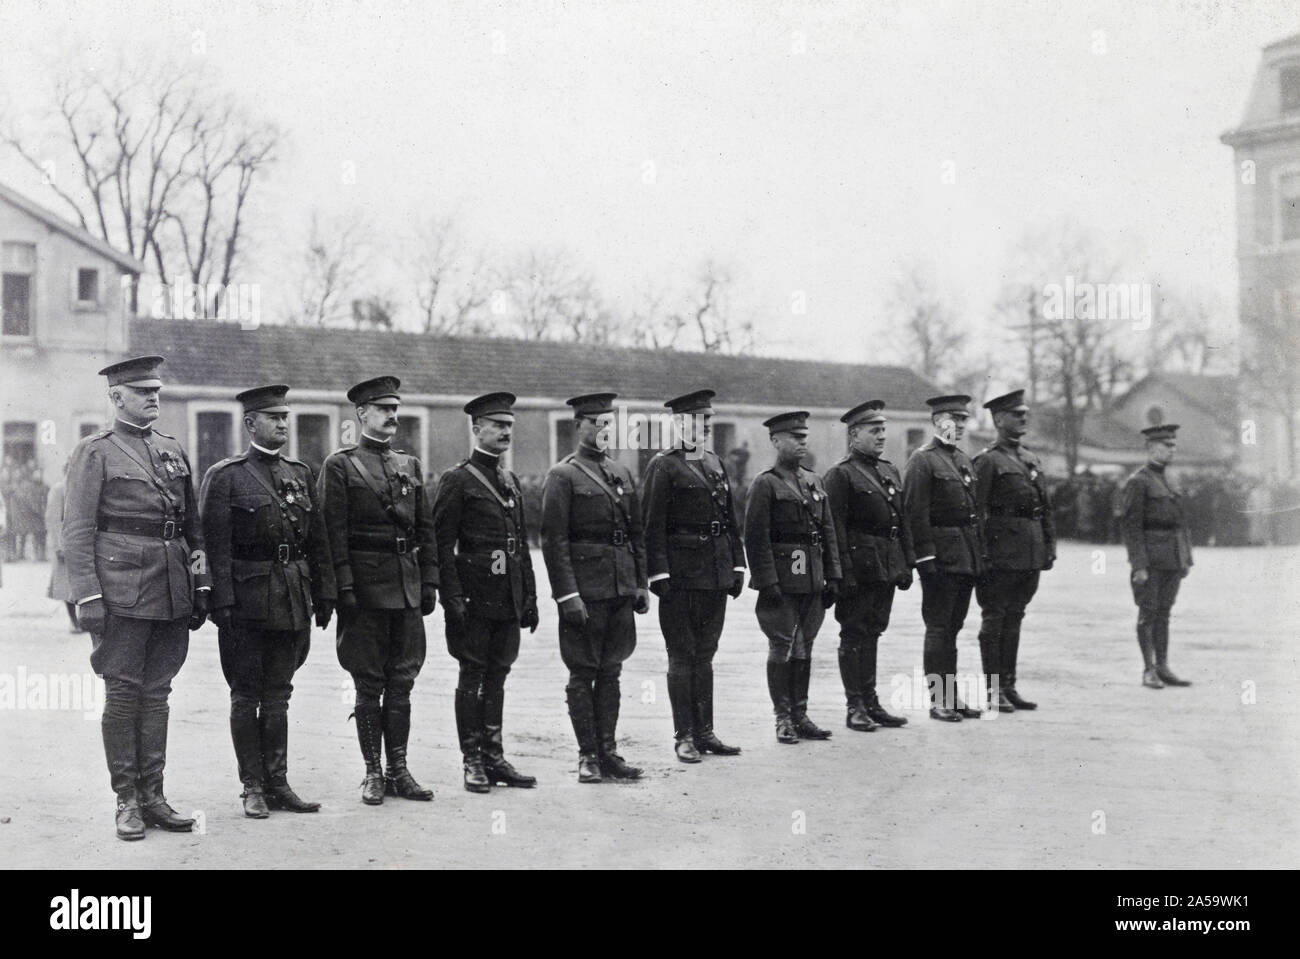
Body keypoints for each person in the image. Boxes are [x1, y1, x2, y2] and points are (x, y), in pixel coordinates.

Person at [62, 355, 209, 840]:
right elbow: (78, 530)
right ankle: (126, 799)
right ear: (116, 396)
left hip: (170, 588)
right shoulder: (95, 451)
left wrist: (200, 580)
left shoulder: (171, 448)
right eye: (143, 391)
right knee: (123, 694)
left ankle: (155, 796)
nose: (153, 398)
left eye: (157, 391)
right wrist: (86, 595)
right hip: (121, 589)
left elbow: (193, 525)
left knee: (159, 694)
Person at [200, 385, 336, 818]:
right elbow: (212, 544)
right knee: (245, 695)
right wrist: (219, 600)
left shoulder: (300, 473)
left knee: (279, 694)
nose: (283, 423)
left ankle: (278, 781)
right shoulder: (225, 476)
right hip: (245, 601)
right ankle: (252, 786)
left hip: (292, 597)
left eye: (285, 416)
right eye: (273, 417)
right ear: (250, 423)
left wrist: (325, 593)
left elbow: (318, 541)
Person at [318, 376, 439, 804]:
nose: (392, 415)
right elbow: (333, 532)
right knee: (369, 684)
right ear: (361, 414)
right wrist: (343, 586)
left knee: (402, 682)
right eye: (383, 409)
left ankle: (399, 770)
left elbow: (426, 528)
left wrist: (429, 580)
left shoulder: (409, 465)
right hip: (365, 592)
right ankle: (372, 772)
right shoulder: (341, 465)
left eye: (395, 408)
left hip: (405, 586)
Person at [432, 391, 539, 793]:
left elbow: (520, 542)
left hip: (507, 597)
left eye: (509, 426)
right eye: (498, 426)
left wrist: (528, 596)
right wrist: (452, 598)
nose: (505, 433)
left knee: (498, 677)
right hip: (475, 599)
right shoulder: (457, 480)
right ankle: (472, 760)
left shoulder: (510, 480)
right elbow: (442, 544)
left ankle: (494, 757)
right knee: (472, 676)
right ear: (477, 429)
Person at [540, 392, 649, 783]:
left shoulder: (621, 473)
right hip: (584, 594)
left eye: (609, 425)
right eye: (596, 424)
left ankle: (609, 752)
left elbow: (635, 533)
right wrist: (567, 595)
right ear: (579, 426)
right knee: (582, 672)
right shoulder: (563, 476)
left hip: (619, 589)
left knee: (612, 672)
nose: (604, 431)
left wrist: (640, 584)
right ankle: (587, 755)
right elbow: (555, 541)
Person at [641, 388, 745, 763]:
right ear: (678, 424)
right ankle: (683, 735)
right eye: (693, 420)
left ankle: (705, 732)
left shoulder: (716, 463)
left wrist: (737, 565)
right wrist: (658, 574)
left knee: (706, 655)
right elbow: (651, 525)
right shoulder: (664, 466)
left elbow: (731, 520)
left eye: (706, 420)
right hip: (681, 577)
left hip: (715, 575)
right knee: (682, 656)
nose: (701, 427)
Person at [744, 411, 841, 744]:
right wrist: (767, 581)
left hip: (813, 579)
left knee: (805, 647)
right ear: (775, 441)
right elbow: (756, 538)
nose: (802, 442)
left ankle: (800, 714)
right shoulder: (766, 483)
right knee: (783, 646)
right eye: (794, 438)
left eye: (804, 437)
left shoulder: (814, 481)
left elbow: (827, 531)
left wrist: (834, 575)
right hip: (783, 582)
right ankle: (783, 718)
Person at [823, 400, 913, 732]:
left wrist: (906, 563)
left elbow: (901, 521)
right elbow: (834, 528)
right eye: (874, 431)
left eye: (883, 431)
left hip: (885, 565)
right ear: (854, 434)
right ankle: (855, 705)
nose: (881, 437)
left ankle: (871, 701)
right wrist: (841, 572)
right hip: (858, 568)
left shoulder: (889, 470)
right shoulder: (841, 475)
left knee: (874, 631)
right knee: (854, 632)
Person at [902, 394, 984, 722]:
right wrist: (924, 559)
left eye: (965, 419)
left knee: (953, 628)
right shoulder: (923, 460)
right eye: (954, 418)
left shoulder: (963, 460)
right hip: (939, 558)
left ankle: (953, 697)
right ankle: (938, 700)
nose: (960, 424)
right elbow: (914, 512)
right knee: (938, 628)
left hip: (964, 555)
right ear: (937, 421)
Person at [973, 389, 1055, 713]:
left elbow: (1044, 508)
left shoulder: (1030, 459)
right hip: (1000, 553)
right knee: (994, 618)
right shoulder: (988, 461)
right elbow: (976, 512)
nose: (1023, 418)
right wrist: (981, 555)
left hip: (1030, 550)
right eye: (1016, 414)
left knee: (1015, 617)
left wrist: (1049, 546)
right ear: (998, 419)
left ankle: (1009, 684)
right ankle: (994, 691)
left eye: (1025, 413)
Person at [1121, 424, 1193, 689]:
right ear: (1151, 448)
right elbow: (1131, 527)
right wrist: (1139, 565)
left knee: (1164, 613)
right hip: (1151, 560)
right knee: (1148, 613)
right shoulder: (1138, 482)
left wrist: (1186, 557)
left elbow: (1181, 522)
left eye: (1173, 445)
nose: (1172, 450)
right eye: (1166, 446)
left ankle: (1163, 666)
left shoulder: (1171, 480)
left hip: (1173, 557)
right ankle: (1148, 669)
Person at [45, 461, 81, 632]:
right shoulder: (59, 489)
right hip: (65, 544)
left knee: (79, 585)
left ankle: (80, 620)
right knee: (66, 586)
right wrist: (59, 546)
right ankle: (74, 621)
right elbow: (52, 519)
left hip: (80, 544)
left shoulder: (81, 489)